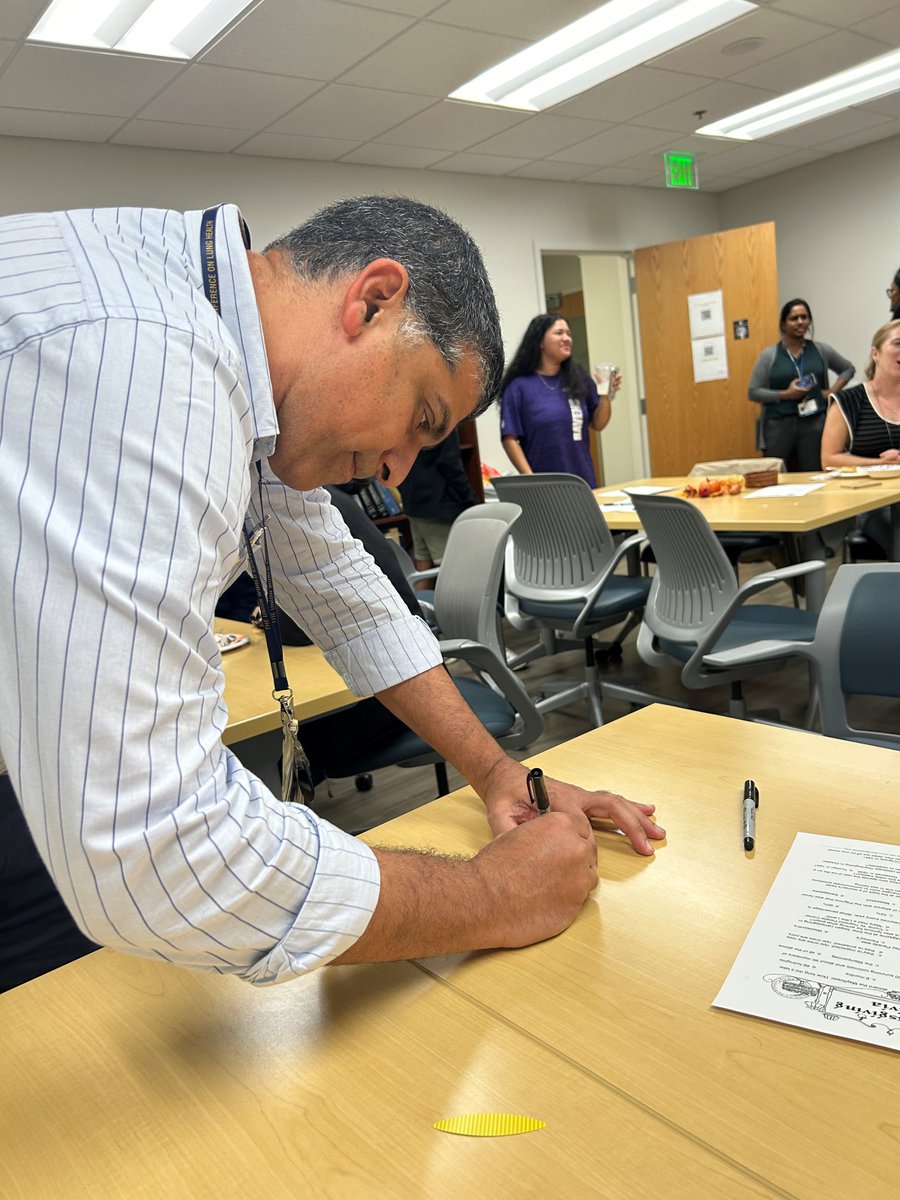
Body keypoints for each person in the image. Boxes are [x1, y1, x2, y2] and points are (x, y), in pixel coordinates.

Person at [0, 196, 664, 991]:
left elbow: (342, 588)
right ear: (373, 299)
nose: (397, 471)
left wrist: (497, 774)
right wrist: (495, 894)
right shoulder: (145, 364)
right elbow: (156, 851)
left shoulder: (217, 345)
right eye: (420, 417)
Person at [499, 314, 619, 487]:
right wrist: (530, 478)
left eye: (568, 333)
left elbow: (598, 424)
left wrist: (606, 395)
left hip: (583, 483)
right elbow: (509, 438)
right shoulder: (519, 386)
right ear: (540, 341)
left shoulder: (579, 377)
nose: (566, 338)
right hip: (544, 487)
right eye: (559, 333)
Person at [821, 319, 900, 555]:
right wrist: (881, 464)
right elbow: (829, 459)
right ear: (875, 353)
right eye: (897, 343)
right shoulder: (848, 401)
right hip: (873, 504)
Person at [748, 298, 854, 471]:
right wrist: (786, 394)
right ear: (783, 324)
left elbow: (848, 369)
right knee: (775, 474)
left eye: (804, 317)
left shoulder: (820, 350)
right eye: (794, 318)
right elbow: (753, 392)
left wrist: (832, 391)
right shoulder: (769, 355)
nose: (800, 322)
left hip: (814, 422)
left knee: (814, 473)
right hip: (778, 424)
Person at [397, 428, 478, 577]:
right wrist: (471, 501)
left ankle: (418, 601)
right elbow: (450, 464)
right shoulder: (444, 418)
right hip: (439, 508)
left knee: (423, 569)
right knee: (453, 572)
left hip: (413, 504)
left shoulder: (408, 416)